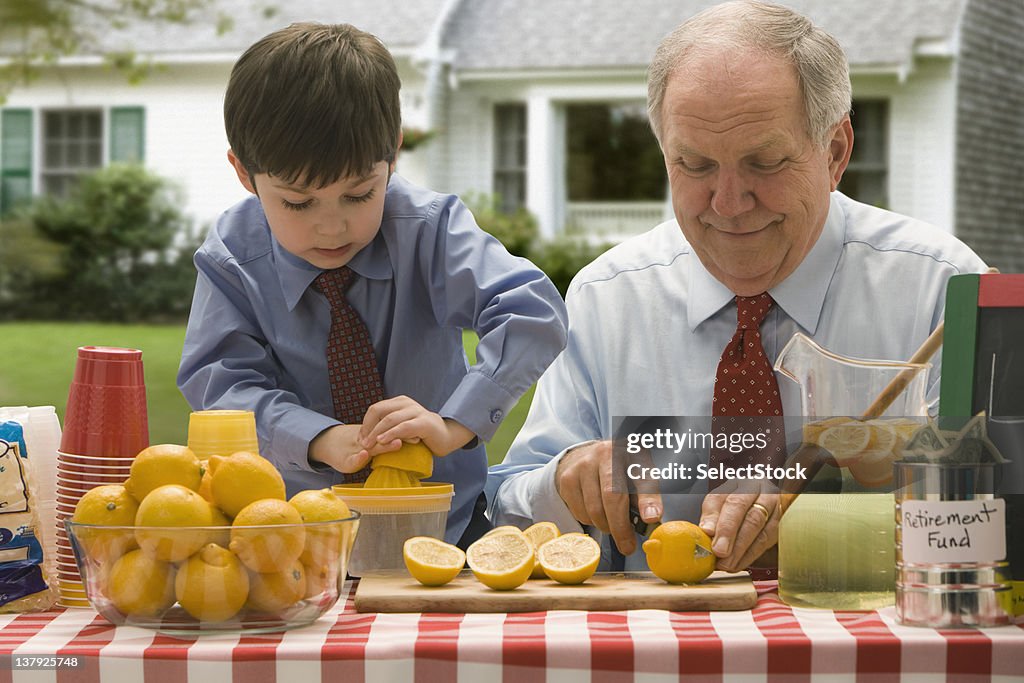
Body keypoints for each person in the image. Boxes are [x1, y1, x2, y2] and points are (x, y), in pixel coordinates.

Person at [486, 0, 987, 572]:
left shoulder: (942, 292)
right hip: (659, 655)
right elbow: (509, 512)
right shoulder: (608, 299)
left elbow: (990, 516)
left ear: (835, 152)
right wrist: (567, 478)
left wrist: (820, 505)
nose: (728, 203)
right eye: (695, 165)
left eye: (765, 162)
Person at [177, 23, 568, 547]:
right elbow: (220, 386)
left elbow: (531, 311)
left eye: (360, 194)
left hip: (449, 531)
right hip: (291, 536)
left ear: (394, 156)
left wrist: (455, 422)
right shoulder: (233, 256)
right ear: (243, 173)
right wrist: (317, 438)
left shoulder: (429, 230)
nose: (332, 227)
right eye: (297, 202)